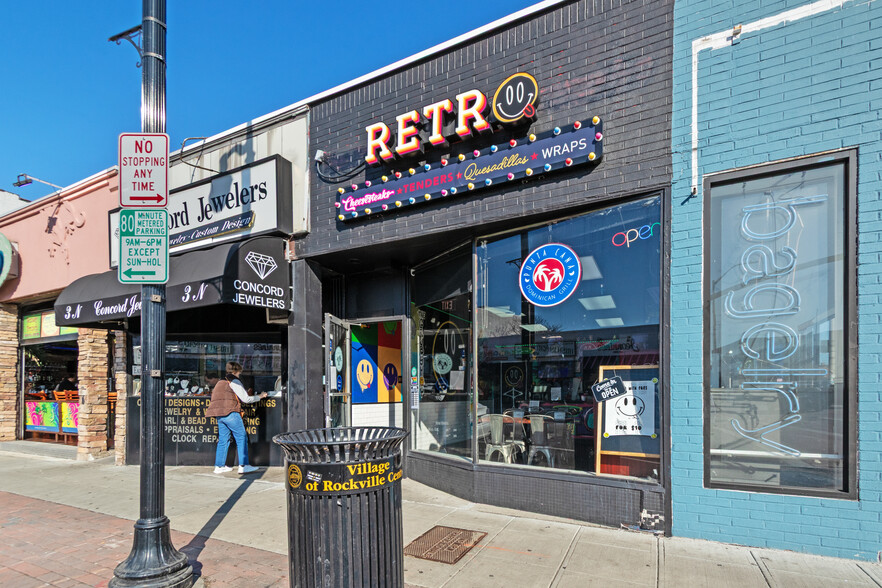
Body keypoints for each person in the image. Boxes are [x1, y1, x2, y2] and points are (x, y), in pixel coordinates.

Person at [205, 361, 266, 474]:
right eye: (239, 372)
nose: (239, 375)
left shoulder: (220, 382)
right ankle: (243, 465)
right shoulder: (234, 381)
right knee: (242, 437)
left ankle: (219, 466)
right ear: (235, 371)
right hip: (231, 412)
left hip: (219, 414)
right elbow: (246, 399)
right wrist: (260, 396)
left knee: (223, 439)